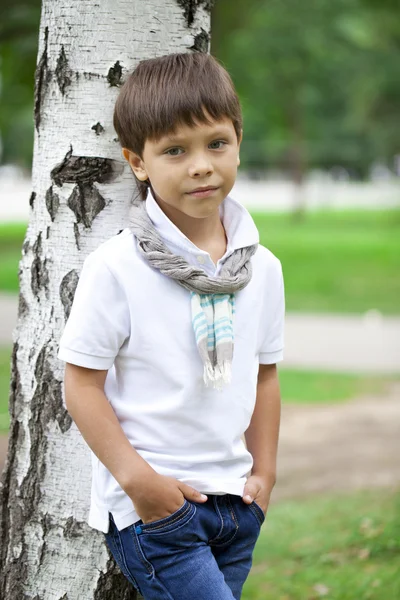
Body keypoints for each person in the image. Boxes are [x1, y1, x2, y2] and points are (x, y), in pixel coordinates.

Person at [58, 52, 285, 600]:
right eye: (175, 151)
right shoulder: (117, 267)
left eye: (216, 143)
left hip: (236, 505)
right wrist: (140, 484)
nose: (201, 165)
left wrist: (266, 475)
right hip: (159, 511)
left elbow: (264, 377)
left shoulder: (262, 268)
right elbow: (79, 385)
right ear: (138, 162)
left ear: (237, 140)